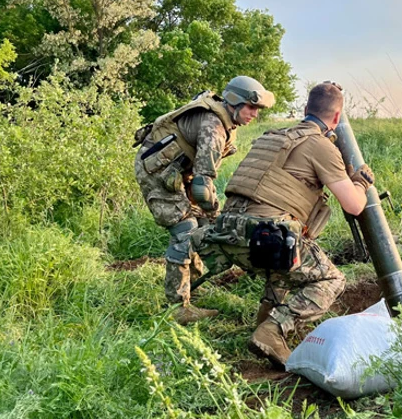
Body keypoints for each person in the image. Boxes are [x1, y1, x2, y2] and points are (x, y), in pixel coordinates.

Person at [196, 81, 375, 367]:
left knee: (286, 250)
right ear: (337, 118)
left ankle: (264, 320)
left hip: (226, 232)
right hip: (262, 237)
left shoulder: (273, 136)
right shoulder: (320, 146)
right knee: (332, 278)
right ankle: (274, 330)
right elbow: (353, 204)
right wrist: (361, 181)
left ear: (305, 110)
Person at [133, 76, 275, 325]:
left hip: (176, 173)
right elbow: (202, 188)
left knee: (200, 224)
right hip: (156, 172)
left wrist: (208, 215)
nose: (255, 114)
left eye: (258, 109)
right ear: (234, 102)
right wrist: (217, 213)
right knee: (185, 231)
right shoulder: (214, 127)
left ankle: (194, 287)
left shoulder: (223, 121)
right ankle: (178, 307)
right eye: (252, 107)